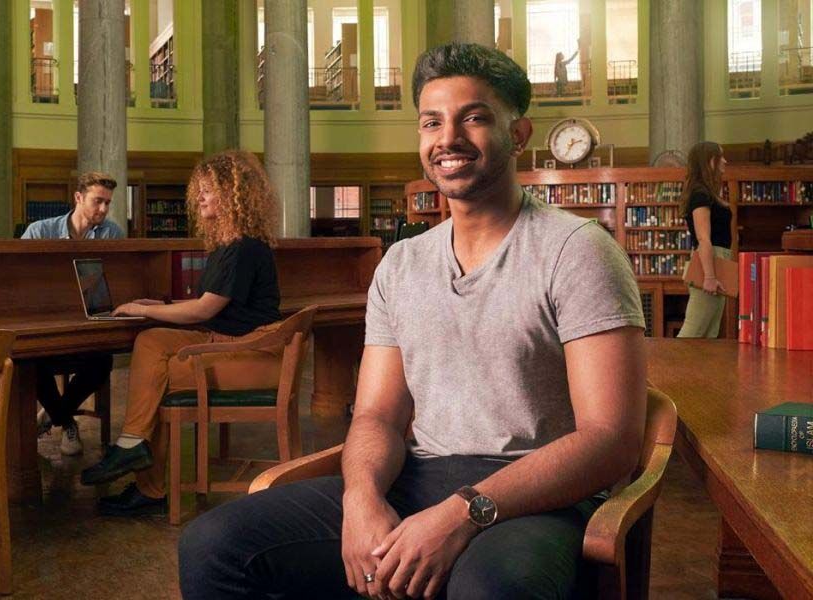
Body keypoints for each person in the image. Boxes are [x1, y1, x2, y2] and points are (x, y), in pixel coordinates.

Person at [179, 42, 647, 599]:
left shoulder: (578, 251)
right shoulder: (401, 263)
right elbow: (377, 414)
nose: (447, 138)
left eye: (473, 118)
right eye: (431, 122)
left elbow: (611, 439)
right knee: (215, 545)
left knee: (493, 590)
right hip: (418, 476)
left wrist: (465, 513)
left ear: (518, 135)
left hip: (537, 494)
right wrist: (361, 499)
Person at [79, 150, 283, 517]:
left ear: (233, 195)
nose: (199, 198)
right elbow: (213, 303)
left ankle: (144, 474)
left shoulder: (241, 248)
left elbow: (205, 309)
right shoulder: (232, 245)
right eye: (199, 191)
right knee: (154, 344)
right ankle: (139, 460)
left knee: (155, 366)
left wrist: (144, 310)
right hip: (231, 345)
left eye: (208, 190)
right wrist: (157, 303)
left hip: (247, 355)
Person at [21, 172, 125, 455]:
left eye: (107, 203)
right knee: (30, 362)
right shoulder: (39, 232)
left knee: (102, 363)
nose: (103, 210)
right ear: (78, 198)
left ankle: (54, 414)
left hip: (89, 326)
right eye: (97, 201)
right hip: (47, 326)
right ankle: (66, 421)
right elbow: (21, 281)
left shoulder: (113, 234)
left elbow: (115, 280)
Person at [677, 141, 733, 338]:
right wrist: (709, 277)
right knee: (694, 331)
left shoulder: (707, 192)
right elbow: (703, 238)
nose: (725, 161)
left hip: (718, 260)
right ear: (710, 161)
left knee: (710, 332)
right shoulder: (700, 194)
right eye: (721, 157)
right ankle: (669, 369)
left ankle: (698, 370)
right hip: (708, 262)